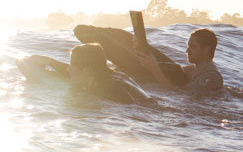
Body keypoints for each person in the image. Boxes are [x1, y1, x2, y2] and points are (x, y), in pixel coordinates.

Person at [18, 44, 153, 105]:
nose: (68, 69)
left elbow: (132, 109)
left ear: (87, 71)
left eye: (72, 65)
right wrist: (50, 61)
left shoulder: (108, 89)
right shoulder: (115, 75)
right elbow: (77, 70)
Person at [135, 28, 224, 93]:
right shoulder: (192, 70)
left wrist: (155, 70)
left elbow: (178, 94)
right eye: (188, 46)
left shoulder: (211, 77)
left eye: (192, 47)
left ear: (206, 49)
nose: (187, 50)